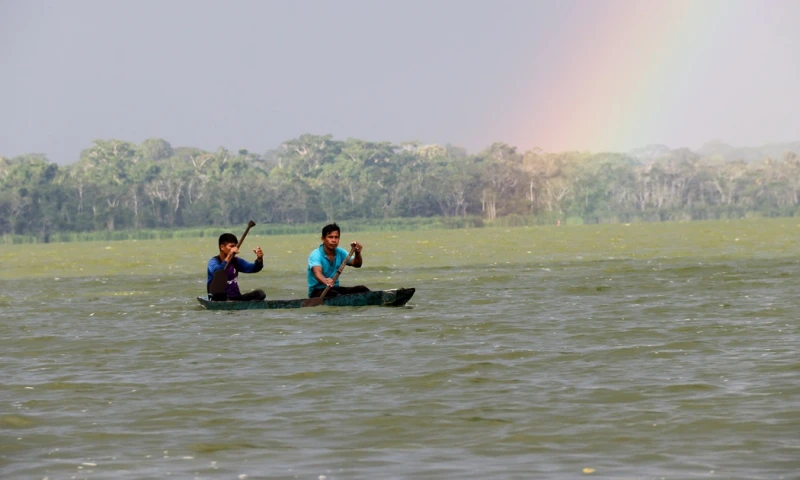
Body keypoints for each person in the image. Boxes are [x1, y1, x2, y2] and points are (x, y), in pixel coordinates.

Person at [307, 223, 371, 298]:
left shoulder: (340, 252)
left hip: (334, 288)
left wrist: (357, 253)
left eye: (336, 237)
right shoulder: (316, 254)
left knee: (362, 289)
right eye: (330, 237)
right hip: (317, 291)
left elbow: (357, 264)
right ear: (323, 239)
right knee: (334, 295)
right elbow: (317, 272)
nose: (334, 240)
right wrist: (325, 280)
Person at [207, 232, 266, 301]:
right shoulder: (213, 262)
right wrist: (229, 255)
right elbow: (217, 272)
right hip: (218, 297)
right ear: (222, 247)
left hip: (235, 297)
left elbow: (253, 268)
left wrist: (259, 259)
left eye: (235, 246)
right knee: (220, 296)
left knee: (260, 294)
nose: (234, 249)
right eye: (231, 246)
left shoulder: (236, 261)